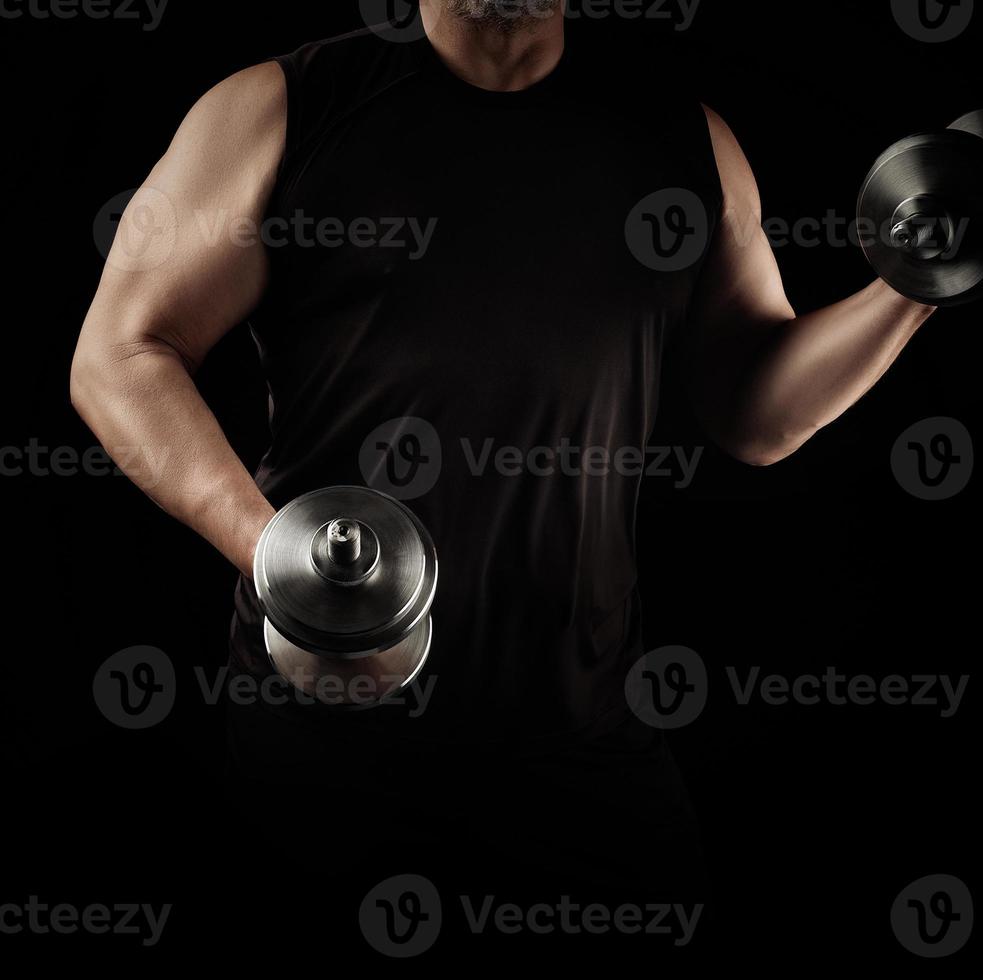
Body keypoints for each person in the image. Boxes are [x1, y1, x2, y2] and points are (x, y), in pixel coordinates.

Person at [70, 0, 935, 896]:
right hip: (328, 741)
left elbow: (756, 415)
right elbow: (118, 354)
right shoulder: (279, 109)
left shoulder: (682, 139)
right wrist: (277, 559)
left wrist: (914, 287)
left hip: (580, 733)